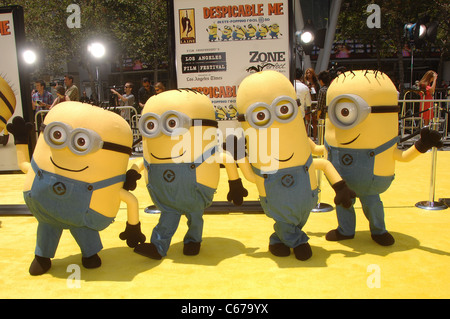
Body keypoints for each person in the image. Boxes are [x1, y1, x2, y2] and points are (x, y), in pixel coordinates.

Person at [304, 68, 320, 138]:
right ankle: (305, 136)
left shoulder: (316, 84)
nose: (309, 74)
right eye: (307, 73)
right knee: (306, 120)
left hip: (314, 102)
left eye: (310, 73)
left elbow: (318, 93)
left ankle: (315, 137)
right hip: (306, 103)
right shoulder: (304, 83)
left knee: (314, 120)